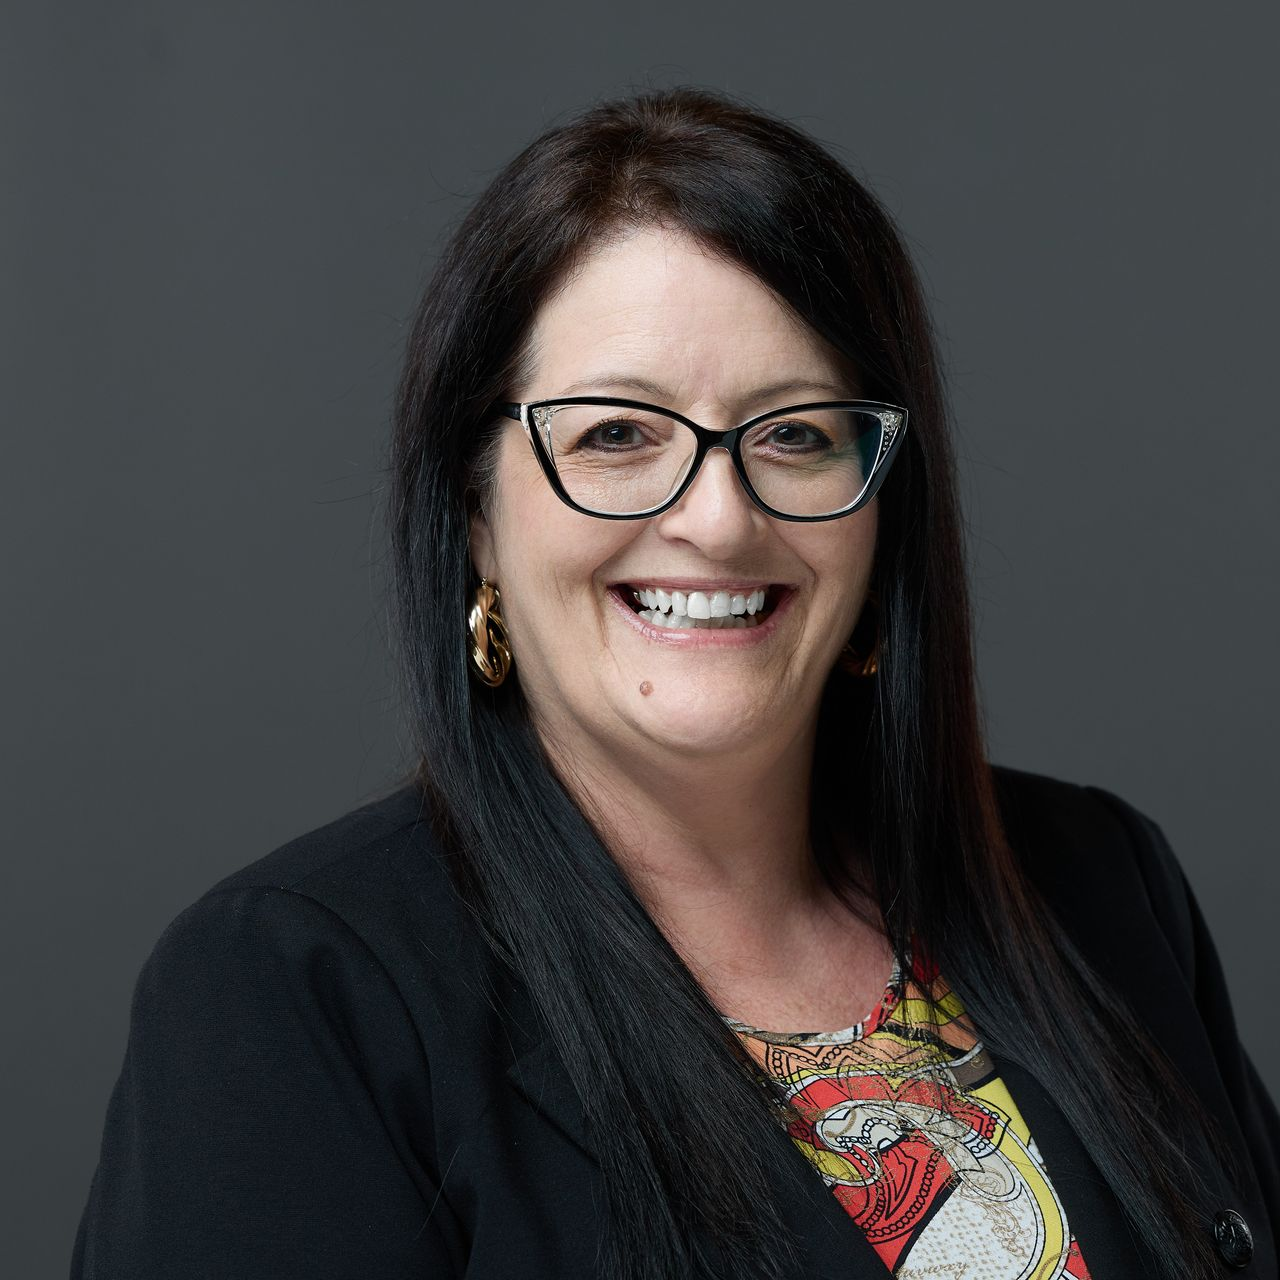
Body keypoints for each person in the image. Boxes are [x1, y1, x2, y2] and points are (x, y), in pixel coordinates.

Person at [71, 86, 1278, 1280]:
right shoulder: (292, 997)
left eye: (795, 433)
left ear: (881, 510)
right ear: (477, 519)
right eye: (614, 434)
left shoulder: (1099, 881)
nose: (716, 516)